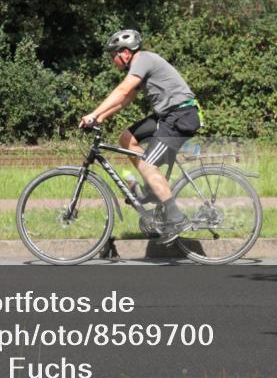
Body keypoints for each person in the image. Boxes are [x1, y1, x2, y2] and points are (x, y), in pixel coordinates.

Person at [78, 29, 202, 244]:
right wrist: (101, 118)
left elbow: (123, 90)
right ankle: (153, 190)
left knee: (146, 165)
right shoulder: (140, 64)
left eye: (113, 55)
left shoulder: (142, 59)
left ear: (125, 53)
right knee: (126, 138)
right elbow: (126, 99)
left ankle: (176, 218)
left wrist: (93, 114)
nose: (112, 60)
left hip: (181, 115)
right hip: (167, 115)